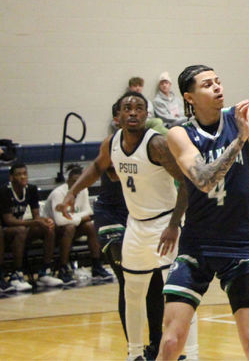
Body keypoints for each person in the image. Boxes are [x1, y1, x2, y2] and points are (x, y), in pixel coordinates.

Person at [158, 66, 249, 361]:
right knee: (171, 342)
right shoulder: (178, 134)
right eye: (208, 84)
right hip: (197, 245)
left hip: (239, 244)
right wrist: (239, 142)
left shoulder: (240, 116)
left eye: (219, 81)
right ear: (189, 97)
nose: (217, 87)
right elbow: (205, 179)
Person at [60, 91, 195, 361]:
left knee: (177, 295)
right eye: (127, 108)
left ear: (147, 115)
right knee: (132, 291)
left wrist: (173, 224)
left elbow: (187, 185)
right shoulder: (111, 144)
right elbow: (97, 168)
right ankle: (134, 354)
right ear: (118, 116)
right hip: (135, 225)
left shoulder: (156, 144)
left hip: (164, 224)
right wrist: (72, 192)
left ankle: (188, 354)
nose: (133, 112)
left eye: (139, 108)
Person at [43, 163, 110, 285]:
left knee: (90, 225)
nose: (76, 184)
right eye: (74, 181)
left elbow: (89, 212)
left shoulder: (83, 189)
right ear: (68, 180)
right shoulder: (58, 194)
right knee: (70, 228)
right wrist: (80, 218)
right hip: (52, 230)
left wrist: (75, 218)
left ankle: (96, 265)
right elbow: (60, 221)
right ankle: (62, 268)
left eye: (79, 181)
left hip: (71, 227)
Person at [0, 162, 63, 289]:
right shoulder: (4, 191)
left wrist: (45, 221)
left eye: (25, 174)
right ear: (11, 178)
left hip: (19, 229)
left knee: (48, 228)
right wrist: (34, 222)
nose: (23, 177)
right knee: (21, 230)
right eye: (19, 174)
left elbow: (36, 216)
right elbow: (8, 220)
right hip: (4, 231)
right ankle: (16, 273)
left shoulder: (31, 189)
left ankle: (44, 272)